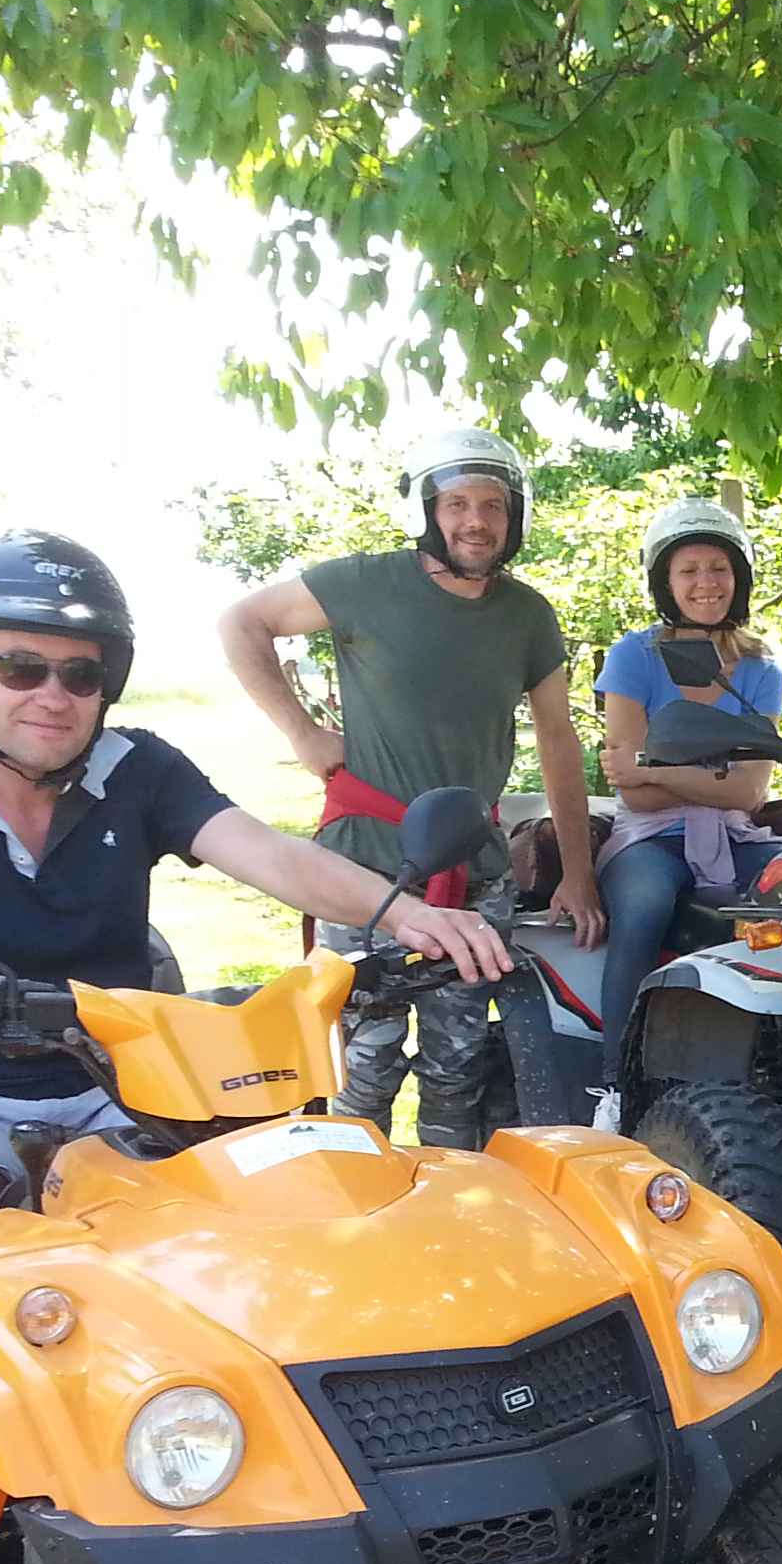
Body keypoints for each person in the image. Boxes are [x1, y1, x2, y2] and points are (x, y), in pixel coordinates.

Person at [0, 529, 511, 1239]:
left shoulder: (137, 771)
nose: (54, 697)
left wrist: (407, 915)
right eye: (21, 669)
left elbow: (269, 854)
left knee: (271, 1220)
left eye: (81, 675)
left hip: (122, 1083)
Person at [215, 426, 604, 1146]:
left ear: (514, 516)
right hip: (363, 869)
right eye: (457, 504)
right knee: (360, 1066)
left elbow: (558, 740)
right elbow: (244, 622)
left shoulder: (527, 616)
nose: (476, 521)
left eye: (492, 505)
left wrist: (577, 874)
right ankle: (351, 1198)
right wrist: (302, 733)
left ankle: (450, 1200)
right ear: (427, 511)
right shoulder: (367, 584)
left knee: (457, 1070)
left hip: (474, 874)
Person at [590, 496, 782, 1047]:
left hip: (733, 835)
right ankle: (615, 1076)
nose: (706, 583)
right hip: (649, 840)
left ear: (739, 579)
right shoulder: (634, 656)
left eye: (719, 568)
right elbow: (637, 799)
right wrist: (708, 781)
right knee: (644, 907)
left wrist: (653, 771)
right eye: (689, 570)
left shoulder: (760, 669)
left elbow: (749, 791)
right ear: (666, 584)